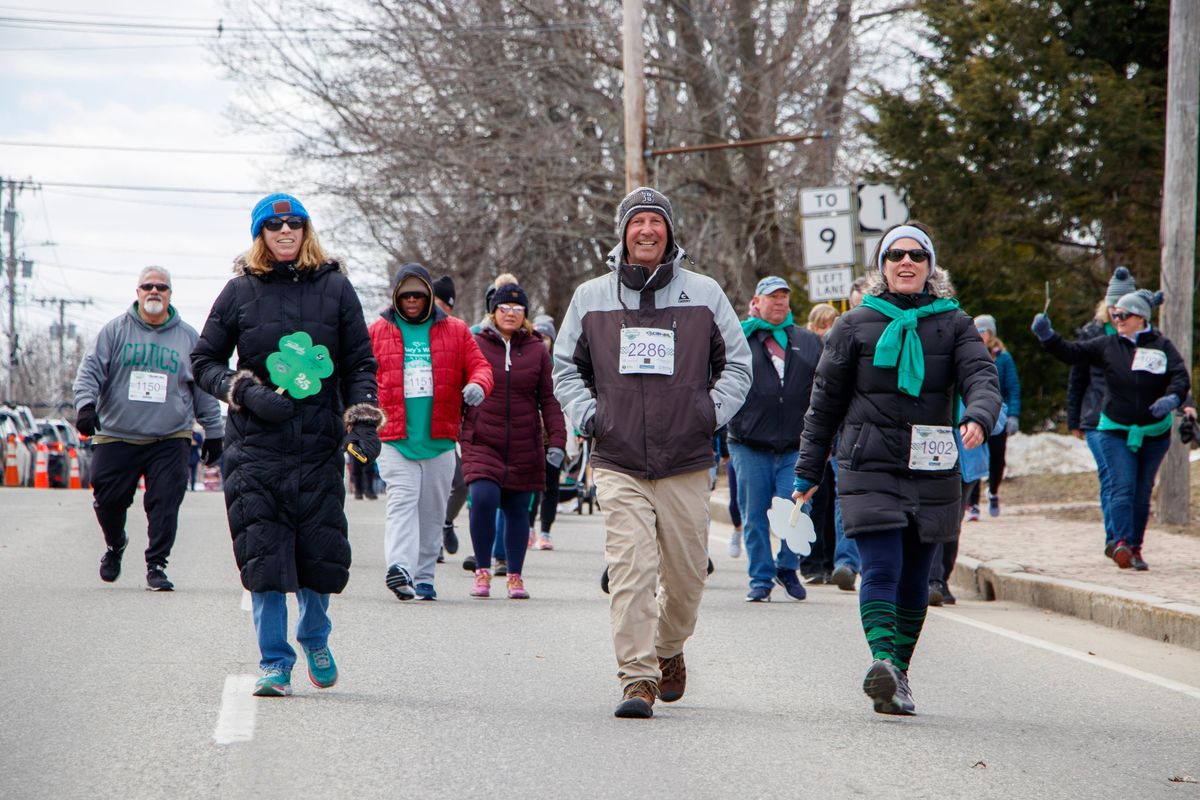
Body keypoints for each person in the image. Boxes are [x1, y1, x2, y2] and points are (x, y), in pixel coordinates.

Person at [554, 186, 752, 718]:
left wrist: (706, 415)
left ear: (669, 232)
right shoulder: (591, 296)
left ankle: (668, 648)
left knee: (686, 580)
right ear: (622, 232)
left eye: (655, 221)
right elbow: (565, 370)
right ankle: (637, 677)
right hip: (618, 459)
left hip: (686, 459)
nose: (646, 230)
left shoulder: (704, 293)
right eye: (637, 221)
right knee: (631, 571)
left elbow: (738, 364)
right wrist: (592, 417)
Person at [793, 222, 1001, 716]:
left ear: (930, 267)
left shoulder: (955, 324)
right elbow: (823, 404)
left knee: (916, 577)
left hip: (933, 466)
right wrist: (807, 473)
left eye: (916, 255)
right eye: (895, 255)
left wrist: (978, 415)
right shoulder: (853, 325)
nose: (905, 262)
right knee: (882, 566)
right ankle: (883, 659)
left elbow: (981, 376)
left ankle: (896, 677)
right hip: (870, 463)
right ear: (882, 267)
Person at [192, 193, 383, 697]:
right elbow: (204, 362)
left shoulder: (337, 289)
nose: (284, 233)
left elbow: (360, 363)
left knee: (319, 552)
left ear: (305, 231)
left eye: (293, 224)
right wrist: (247, 392)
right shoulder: (239, 292)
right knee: (264, 558)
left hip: (317, 445)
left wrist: (363, 422)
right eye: (273, 226)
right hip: (255, 447)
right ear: (259, 234)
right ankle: (275, 661)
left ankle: (315, 636)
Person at [74, 266, 224, 591]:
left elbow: (203, 388)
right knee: (108, 500)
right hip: (117, 433)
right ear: (138, 292)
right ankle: (116, 544)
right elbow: (89, 372)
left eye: (162, 287)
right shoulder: (114, 331)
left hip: (170, 436)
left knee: (166, 501)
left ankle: (157, 564)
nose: (154, 292)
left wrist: (214, 431)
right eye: (148, 286)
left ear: (170, 294)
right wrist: (85, 406)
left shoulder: (188, 336)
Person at [1032, 289, 1190, 571]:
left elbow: (1180, 376)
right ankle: (1121, 543)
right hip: (1114, 429)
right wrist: (1048, 337)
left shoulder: (1162, 346)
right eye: (1115, 314)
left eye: (1123, 315)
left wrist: (1173, 399)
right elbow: (1072, 353)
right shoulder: (1106, 345)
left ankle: (1136, 548)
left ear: (1141, 317)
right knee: (1122, 486)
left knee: (1142, 492)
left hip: (1153, 433)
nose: (1117, 319)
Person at [369, 263, 492, 601]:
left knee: (432, 511)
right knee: (402, 501)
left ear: (429, 297)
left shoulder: (455, 330)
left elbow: (480, 365)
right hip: (394, 436)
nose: (411, 300)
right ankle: (399, 567)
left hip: (439, 437)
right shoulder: (377, 331)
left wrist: (478, 385)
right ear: (395, 296)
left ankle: (423, 576)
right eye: (405, 294)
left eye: (418, 294)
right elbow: (360, 373)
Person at [463, 283, 565, 599]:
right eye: (504, 308)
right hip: (482, 439)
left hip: (525, 442)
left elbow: (550, 398)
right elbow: (457, 385)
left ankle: (514, 575)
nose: (510, 313)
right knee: (482, 498)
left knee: (519, 510)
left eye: (517, 309)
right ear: (493, 311)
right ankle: (482, 569)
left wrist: (558, 441)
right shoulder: (475, 342)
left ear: (525, 315)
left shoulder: (536, 349)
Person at [727, 276, 823, 602]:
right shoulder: (739, 338)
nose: (779, 302)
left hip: (795, 445)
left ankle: (787, 566)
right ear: (757, 301)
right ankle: (760, 579)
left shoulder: (808, 341)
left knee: (797, 511)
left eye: (784, 296)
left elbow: (824, 389)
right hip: (749, 442)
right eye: (772, 297)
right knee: (754, 515)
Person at [965, 314, 1021, 518]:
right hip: (976, 414)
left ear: (991, 333)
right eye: (976, 330)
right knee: (974, 456)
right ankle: (972, 503)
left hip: (998, 414)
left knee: (997, 459)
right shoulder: (969, 353)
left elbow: (1013, 388)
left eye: (983, 330)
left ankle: (994, 491)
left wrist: (1013, 415)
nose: (980, 334)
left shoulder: (1003, 358)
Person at [431, 274, 466, 560]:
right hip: (416, 427)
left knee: (461, 481)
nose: (441, 308)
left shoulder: (458, 332)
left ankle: (444, 522)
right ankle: (428, 544)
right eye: (438, 301)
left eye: (447, 305)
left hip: (451, 424)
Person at [528, 313, 566, 551]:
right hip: (531, 432)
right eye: (538, 336)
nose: (542, 341)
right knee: (531, 485)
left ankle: (545, 532)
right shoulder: (528, 361)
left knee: (551, 485)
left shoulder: (560, 365)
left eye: (546, 338)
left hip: (553, 432)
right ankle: (529, 528)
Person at [188, 426, 204, 491]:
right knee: (185, 474)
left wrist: (195, 443)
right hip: (187, 456)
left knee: (193, 473)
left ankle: (192, 487)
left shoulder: (197, 435)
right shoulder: (186, 435)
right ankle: (185, 487)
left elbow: (201, 444)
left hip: (194, 457)